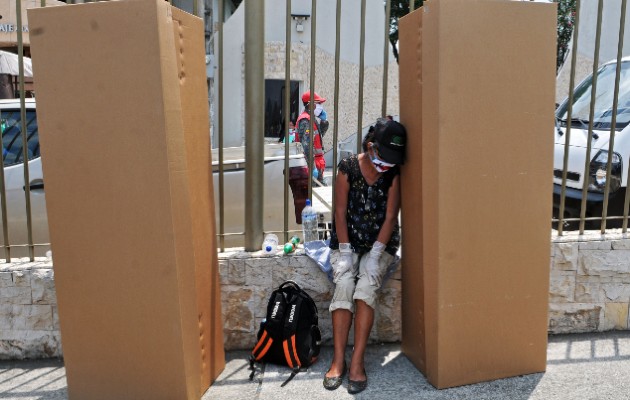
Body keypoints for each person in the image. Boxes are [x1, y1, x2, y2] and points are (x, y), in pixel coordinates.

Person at [322, 118, 406, 394]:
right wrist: (345, 252)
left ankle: (356, 363)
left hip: (379, 244)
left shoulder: (393, 174)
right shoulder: (347, 168)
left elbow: (391, 217)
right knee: (344, 286)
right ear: (371, 147)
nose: (388, 164)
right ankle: (338, 361)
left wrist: (376, 255)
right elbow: (339, 213)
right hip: (348, 241)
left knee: (365, 290)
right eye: (385, 156)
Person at [296, 91, 329, 183]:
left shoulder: (311, 118)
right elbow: (306, 146)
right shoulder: (306, 120)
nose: (320, 106)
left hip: (318, 164)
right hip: (311, 165)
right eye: (318, 103)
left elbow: (319, 137)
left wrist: (324, 122)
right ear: (310, 104)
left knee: (316, 195)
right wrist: (312, 167)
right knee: (310, 195)